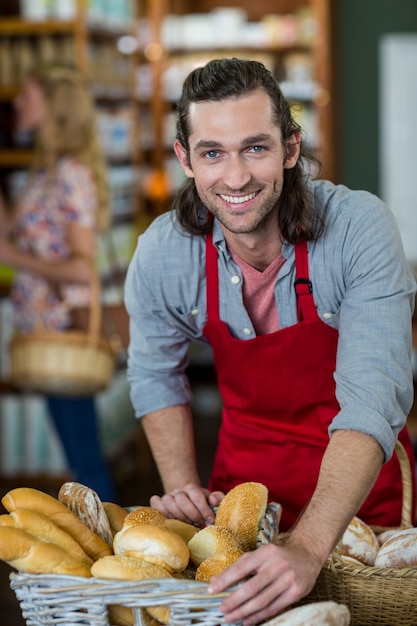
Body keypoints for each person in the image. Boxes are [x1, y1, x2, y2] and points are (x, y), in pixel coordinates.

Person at [124, 58, 417, 624]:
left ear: (290, 147)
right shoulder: (164, 253)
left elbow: (374, 401)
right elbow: (154, 371)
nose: (235, 178)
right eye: (213, 153)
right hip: (240, 504)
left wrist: (308, 548)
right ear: (185, 159)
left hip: (361, 510)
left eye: (255, 148)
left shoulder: (358, 229)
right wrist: (183, 488)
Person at [0, 64, 116, 502]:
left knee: (84, 459)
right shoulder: (45, 169)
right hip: (45, 329)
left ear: (51, 105)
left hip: (63, 326)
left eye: (26, 94)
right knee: (79, 456)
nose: (16, 103)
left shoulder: (70, 173)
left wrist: (13, 259)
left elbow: (82, 269)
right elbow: (9, 230)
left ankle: (112, 556)